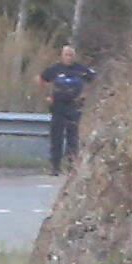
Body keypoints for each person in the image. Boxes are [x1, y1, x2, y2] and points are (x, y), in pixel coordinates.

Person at [42, 42, 97, 174]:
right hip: (58, 106)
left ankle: (72, 166)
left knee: (73, 136)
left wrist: (85, 95)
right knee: (56, 137)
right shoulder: (55, 69)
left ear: (74, 56)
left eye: (71, 55)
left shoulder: (80, 69)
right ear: (62, 56)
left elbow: (95, 79)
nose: (69, 57)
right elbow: (41, 79)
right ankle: (55, 166)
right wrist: (47, 96)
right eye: (66, 55)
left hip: (74, 106)